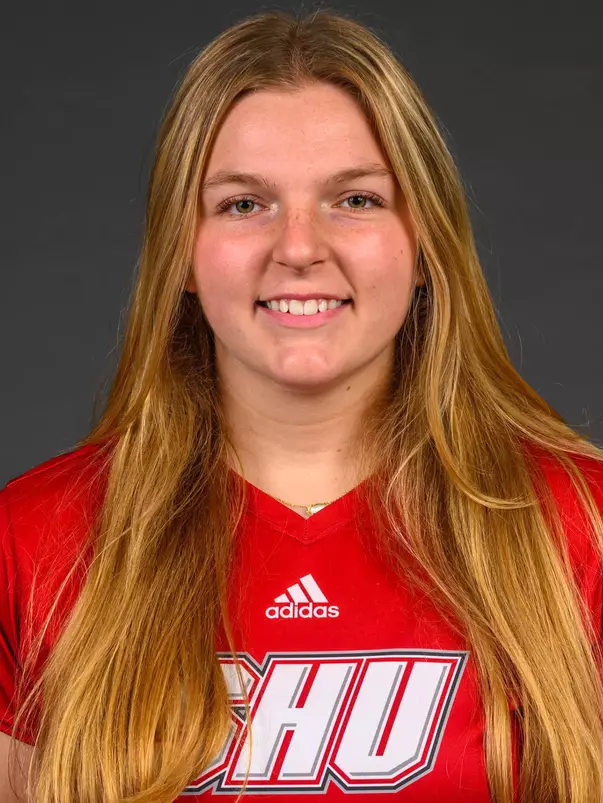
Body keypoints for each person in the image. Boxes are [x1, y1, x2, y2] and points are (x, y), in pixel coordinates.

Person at [1, 8, 603, 803]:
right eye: (244, 204)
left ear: (421, 241)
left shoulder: (579, 526)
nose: (297, 246)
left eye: (353, 199)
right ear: (182, 251)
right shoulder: (36, 537)